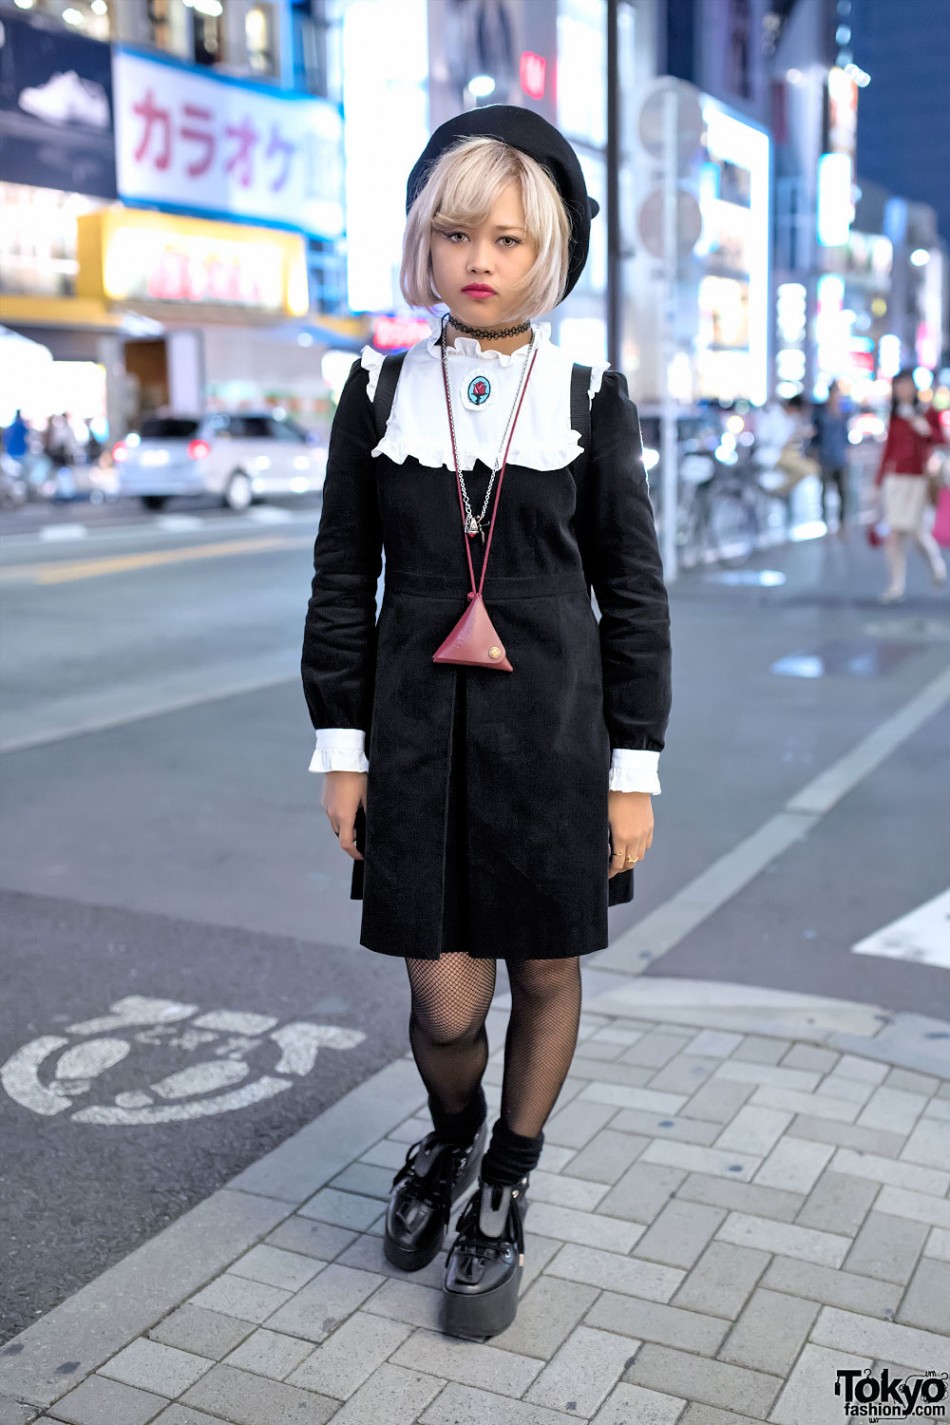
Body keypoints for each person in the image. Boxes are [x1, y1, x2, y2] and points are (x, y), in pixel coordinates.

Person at [300, 107, 671, 1340]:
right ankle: (451, 1134)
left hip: (554, 733)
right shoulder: (375, 388)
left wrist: (635, 771)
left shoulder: (588, 393)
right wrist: (340, 748)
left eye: (507, 238)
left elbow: (631, 593)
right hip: (412, 734)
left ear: (546, 251)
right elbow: (339, 578)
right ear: (423, 240)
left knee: (545, 965)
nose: (479, 257)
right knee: (441, 1003)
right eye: (455, 231)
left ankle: (505, 1181)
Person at [875, 369, 947, 603]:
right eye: (899, 385)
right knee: (894, 533)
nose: (903, 389)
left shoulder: (927, 412)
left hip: (919, 480)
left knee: (917, 532)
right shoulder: (894, 415)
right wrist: (877, 483)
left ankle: (936, 564)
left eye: (906, 385)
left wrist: (924, 429)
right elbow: (888, 451)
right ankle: (896, 586)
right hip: (895, 479)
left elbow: (941, 440)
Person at [812, 380, 850, 531]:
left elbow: (845, 438)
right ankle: (825, 523)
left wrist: (847, 455)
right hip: (825, 458)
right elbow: (816, 438)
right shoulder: (821, 415)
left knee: (843, 493)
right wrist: (816, 456)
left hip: (840, 458)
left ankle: (841, 523)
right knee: (825, 492)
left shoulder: (842, 415)